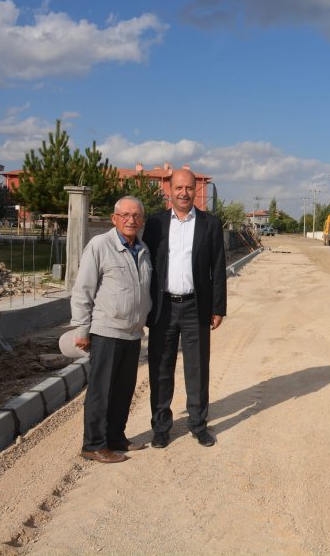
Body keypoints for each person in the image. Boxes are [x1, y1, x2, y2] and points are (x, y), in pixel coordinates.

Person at [143, 168, 227, 448]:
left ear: (196, 190)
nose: (184, 193)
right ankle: (161, 427)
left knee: (197, 369)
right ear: (169, 190)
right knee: (161, 368)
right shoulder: (155, 224)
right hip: (163, 308)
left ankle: (198, 424)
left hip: (196, 307)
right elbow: (147, 267)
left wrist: (218, 308)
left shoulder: (209, 224)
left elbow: (218, 269)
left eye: (189, 188)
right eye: (178, 188)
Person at [71, 196, 152, 464]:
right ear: (114, 218)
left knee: (123, 390)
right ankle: (93, 444)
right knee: (101, 391)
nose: (132, 220)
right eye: (126, 215)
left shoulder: (142, 249)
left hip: (132, 333)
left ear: (142, 220)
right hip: (106, 330)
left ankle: (116, 437)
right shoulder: (100, 245)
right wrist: (81, 329)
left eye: (137, 216)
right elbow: (83, 290)